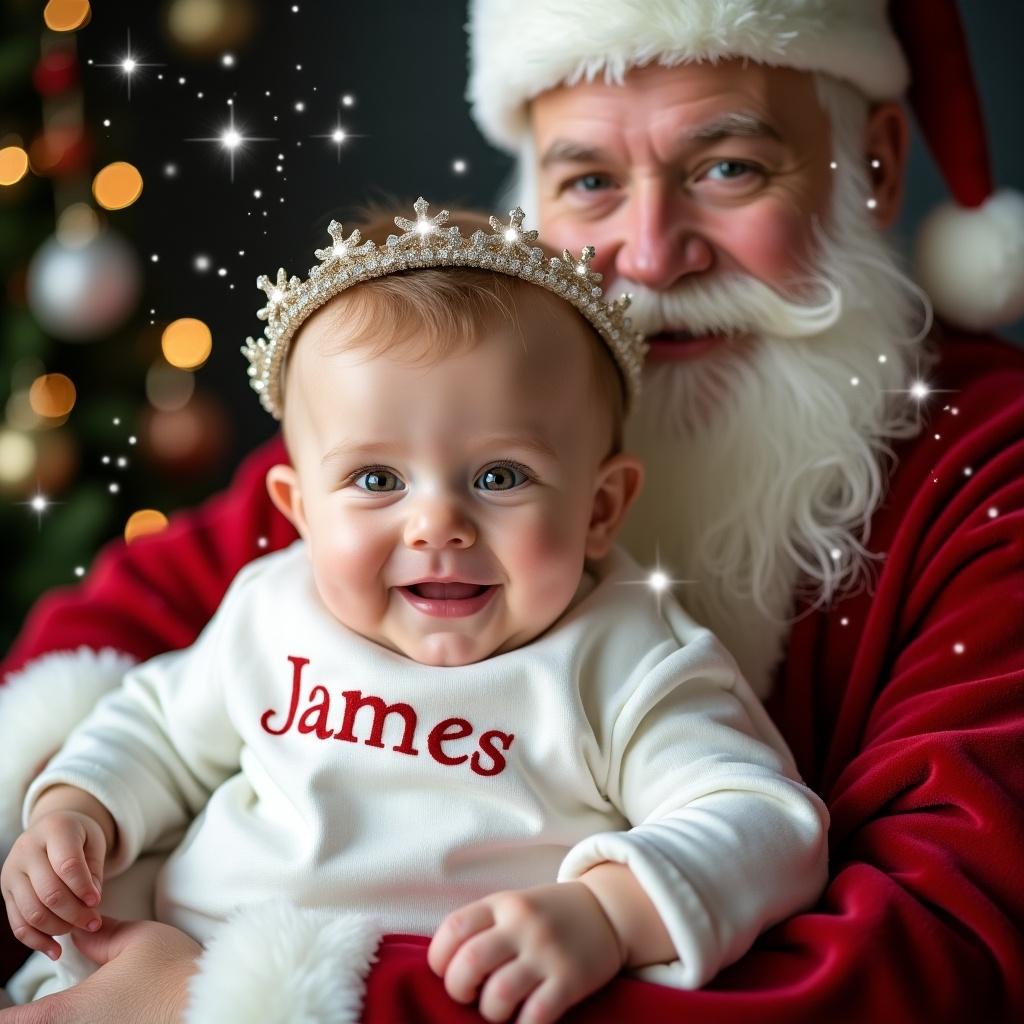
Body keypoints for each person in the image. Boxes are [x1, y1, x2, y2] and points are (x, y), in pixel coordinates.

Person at [1, 1, 1021, 1022]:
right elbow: (130, 689)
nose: (651, 255)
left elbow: (931, 952)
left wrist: (219, 1001)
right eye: (588, 181)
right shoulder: (409, 437)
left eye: (729, 168)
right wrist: (68, 812)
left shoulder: (974, 476)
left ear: (876, 163)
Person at [1, 203, 828, 1021]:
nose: (437, 523)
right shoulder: (274, 608)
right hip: (161, 956)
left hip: (399, 996)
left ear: (601, 507)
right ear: (299, 510)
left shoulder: (623, 658)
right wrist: (77, 809)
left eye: (501, 476)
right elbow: (154, 728)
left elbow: (763, 821)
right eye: (375, 480)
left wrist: (610, 912)